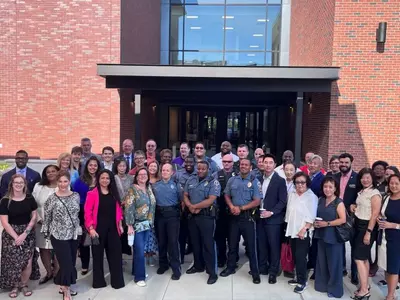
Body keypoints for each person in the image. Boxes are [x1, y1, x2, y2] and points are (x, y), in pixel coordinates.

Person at [220, 159, 262, 284]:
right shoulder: (232, 180)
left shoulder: (254, 181)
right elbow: (226, 194)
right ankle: (230, 267)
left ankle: (255, 273)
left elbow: (257, 201)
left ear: (250, 167)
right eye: (242, 164)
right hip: (233, 217)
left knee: (251, 247)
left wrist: (241, 208)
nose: (243, 166)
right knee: (232, 245)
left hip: (247, 218)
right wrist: (232, 206)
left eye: (246, 164)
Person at [41, 170, 80, 300]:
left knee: (71, 262)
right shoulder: (52, 198)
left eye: (65, 181)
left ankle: (61, 282)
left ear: (69, 182)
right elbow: (47, 218)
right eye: (60, 181)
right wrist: (46, 234)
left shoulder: (76, 195)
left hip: (73, 235)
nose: (63, 184)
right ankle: (67, 291)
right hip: (58, 235)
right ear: (57, 182)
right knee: (66, 263)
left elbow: (76, 215)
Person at [0, 174, 40, 297]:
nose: (18, 185)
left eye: (21, 182)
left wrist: (24, 234)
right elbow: (5, 222)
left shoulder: (29, 198)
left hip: (27, 232)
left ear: (24, 185)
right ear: (11, 184)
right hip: (10, 234)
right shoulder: (5, 201)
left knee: (27, 262)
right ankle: (15, 286)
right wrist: (16, 237)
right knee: (13, 262)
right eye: (16, 182)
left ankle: (24, 284)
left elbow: (34, 217)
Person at [85, 169, 125, 289]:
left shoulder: (114, 193)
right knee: (97, 257)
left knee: (116, 256)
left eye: (107, 178)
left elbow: (118, 211)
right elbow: (88, 212)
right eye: (102, 178)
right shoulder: (92, 193)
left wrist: (120, 224)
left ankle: (117, 282)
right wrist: (90, 228)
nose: (105, 180)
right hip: (98, 229)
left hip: (113, 229)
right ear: (98, 179)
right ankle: (98, 282)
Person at [183, 161, 221, 285]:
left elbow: (211, 199)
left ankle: (212, 273)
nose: (200, 170)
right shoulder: (191, 180)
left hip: (207, 217)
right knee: (195, 243)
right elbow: (185, 194)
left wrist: (195, 206)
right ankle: (198, 266)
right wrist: (189, 206)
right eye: (198, 168)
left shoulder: (213, 182)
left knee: (208, 245)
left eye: (203, 168)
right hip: (193, 216)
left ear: (208, 169)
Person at [350, 168, 381, 299]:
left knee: (358, 258)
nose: (365, 180)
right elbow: (363, 208)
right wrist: (354, 207)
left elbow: (374, 214)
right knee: (364, 258)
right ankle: (365, 285)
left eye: (368, 177)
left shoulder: (374, 193)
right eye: (363, 177)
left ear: (372, 178)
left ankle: (364, 291)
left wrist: (368, 232)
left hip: (367, 227)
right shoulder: (362, 192)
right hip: (358, 225)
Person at [284, 172, 318, 294]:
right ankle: (297, 277)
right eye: (297, 182)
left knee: (301, 257)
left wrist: (304, 229)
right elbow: (289, 210)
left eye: (302, 182)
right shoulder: (292, 193)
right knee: (295, 255)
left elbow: (312, 216)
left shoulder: (311, 196)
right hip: (292, 229)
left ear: (307, 183)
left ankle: (302, 282)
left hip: (303, 232)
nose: (300, 185)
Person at [314, 177, 346, 298]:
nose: (327, 189)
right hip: (321, 235)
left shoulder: (338, 202)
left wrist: (327, 223)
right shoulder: (321, 200)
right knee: (321, 261)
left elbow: (342, 220)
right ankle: (322, 285)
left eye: (330, 187)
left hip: (333, 237)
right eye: (325, 186)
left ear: (335, 189)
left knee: (334, 264)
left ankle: (335, 290)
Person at [258, 154, 288, 284]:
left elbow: (282, 201)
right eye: (266, 162)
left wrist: (271, 212)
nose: (268, 165)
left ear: (275, 165)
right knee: (262, 245)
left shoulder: (280, 181)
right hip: (259, 218)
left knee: (274, 247)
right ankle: (262, 267)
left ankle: (273, 272)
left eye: (271, 162)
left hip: (273, 220)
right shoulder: (258, 178)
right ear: (262, 164)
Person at [124, 167, 156, 287]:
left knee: (139, 249)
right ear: (136, 177)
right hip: (136, 225)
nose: (142, 176)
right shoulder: (132, 189)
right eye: (140, 174)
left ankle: (135, 271)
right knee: (139, 251)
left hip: (147, 224)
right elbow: (128, 208)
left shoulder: (148, 188)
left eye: (145, 174)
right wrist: (130, 225)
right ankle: (139, 277)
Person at [73, 156, 101, 275]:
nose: (93, 167)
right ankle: (85, 264)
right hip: (83, 212)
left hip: (99, 213)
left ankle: (98, 263)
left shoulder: (101, 179)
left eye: (95, 165)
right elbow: (75, 197)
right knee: (84, 240)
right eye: (90, 165)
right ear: (86, 167)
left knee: (96, 238)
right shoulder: (80, 180)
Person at [152, 163, 182, 280]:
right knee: (162, 241)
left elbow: (181, 200)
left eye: (167, 170)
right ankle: (163, 264)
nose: (164, 172)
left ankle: (176, 268)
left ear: (172, 172)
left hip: (172, 216)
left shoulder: (176, 186)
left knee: (173, 242)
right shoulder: (155, 186)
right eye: (163, 170)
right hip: (159, 215)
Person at [32, 164, 60, 285]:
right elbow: (32, 205)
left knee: (58, 249)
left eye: (53, 171)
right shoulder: (38, 186)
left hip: (58, 224)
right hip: (40, 223)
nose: (51, 174)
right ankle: (48, 272)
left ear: (58, 173)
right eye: (48, 172)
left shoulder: (63, 185)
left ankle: (57, 273)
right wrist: (38, 219)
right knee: (44, 249)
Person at [334, 152, 359, 283]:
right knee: (339, 243)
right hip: (337, 216)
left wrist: (354, 205)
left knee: (354, 246)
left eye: (346, 162)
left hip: (352, 218)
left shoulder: (357, 177)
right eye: (341, 162)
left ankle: (354, 274)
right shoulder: (335, 177)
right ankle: (342, 268)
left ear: (351, 163)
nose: (343, 165)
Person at [377, 174, 400, 300]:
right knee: (386, 266)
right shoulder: (387, 197)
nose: (394, 186)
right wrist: (379, 218)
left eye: (397, 183)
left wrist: (393, 225)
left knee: (393, 268)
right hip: (385, 237)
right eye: (392, 183)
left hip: (397, 239)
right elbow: (382, 213)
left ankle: (390, 296)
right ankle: (391, 293)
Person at [213, 153, 236, 268]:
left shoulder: (237, 175)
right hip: (220, 211)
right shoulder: (216, 175)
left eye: (229, 162)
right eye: (225, 162)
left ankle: (233, 260)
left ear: (233, 162)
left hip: (234, 211)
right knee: (220, 237)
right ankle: (221, 259)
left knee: (233, 238)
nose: (227, 164)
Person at [173, 155, 196, 262]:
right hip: (181, 209)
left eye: (191, 162)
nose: (188, 164)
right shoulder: (178, 174)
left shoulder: (198, 173)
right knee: (181, 235)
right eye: (187, 162)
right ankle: (180, 258)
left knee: (194, 235)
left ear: (194, 163)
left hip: (195, 208)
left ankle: (197, 260)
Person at [112, 158, 133, 256]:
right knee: (118, 231)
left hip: (128, 209)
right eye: (120, 166)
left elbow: (133, 191)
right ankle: (117, 255)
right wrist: (119, 202)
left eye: (124, 166)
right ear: (116, 167)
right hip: (116, 208)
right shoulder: (113, 178)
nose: (122, 168)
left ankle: (125, 252)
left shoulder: (130, 178)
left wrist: (127, 201)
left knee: (126, 231)